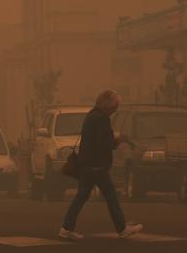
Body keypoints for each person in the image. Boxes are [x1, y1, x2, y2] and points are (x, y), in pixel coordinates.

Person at [59, 90, 143, 241]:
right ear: (106, 105)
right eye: (113, 107)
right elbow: (106, 143)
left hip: (88, 165)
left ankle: (66, 228)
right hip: (96, 167)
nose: (114, 111)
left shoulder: (91, 115)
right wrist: (117, 140)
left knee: (83, 197)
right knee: (110, 197)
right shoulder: (102, 119)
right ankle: (122, 228)